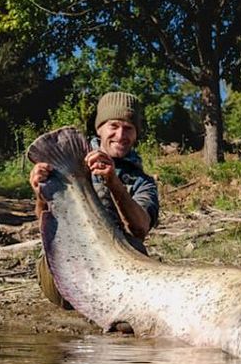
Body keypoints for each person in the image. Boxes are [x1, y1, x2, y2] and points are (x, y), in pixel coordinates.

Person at [29, 91, 160, 308]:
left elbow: (140, 229)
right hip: (68, 265)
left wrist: (113, 183)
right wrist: (41, 194)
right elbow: (44, 219)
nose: (121, 135)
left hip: (119, 266)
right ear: (99, 129)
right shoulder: (68, 164)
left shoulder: (143, 182)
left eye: (129, 128)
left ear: (136, 134)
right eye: (113, 126)